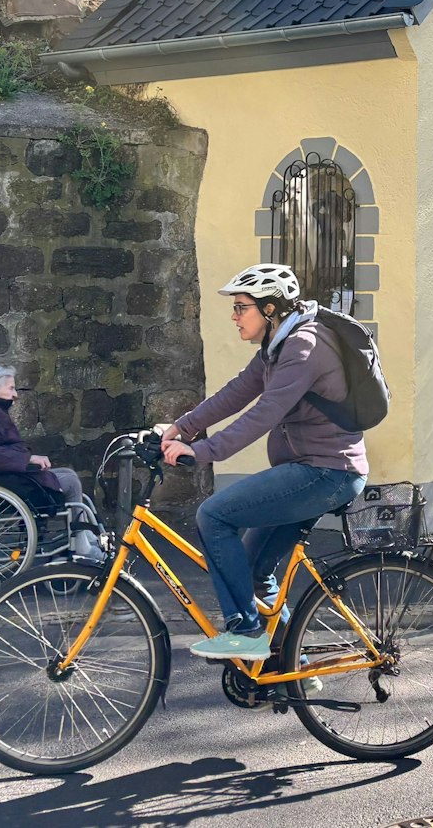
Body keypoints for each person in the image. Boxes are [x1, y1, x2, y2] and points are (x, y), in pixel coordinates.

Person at [160, 263, 370, 661]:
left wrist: (202, 451)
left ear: (270, 309)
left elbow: (265, 413)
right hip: (311, 471)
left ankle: (246, 629)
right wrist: (181, 428)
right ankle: (289, 667)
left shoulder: (305, 346)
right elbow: (238, 391)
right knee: (254, 569)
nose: (235, 317)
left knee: (213, 515)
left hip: (326, 472)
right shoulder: (277, 346)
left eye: (241, 307)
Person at [0, 364, 106, 562]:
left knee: (67, 476)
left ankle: (84, 536)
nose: (15, 395)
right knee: (70, 482)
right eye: (11, 388)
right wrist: (28, 459)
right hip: (0, 480)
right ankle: (82, 542)